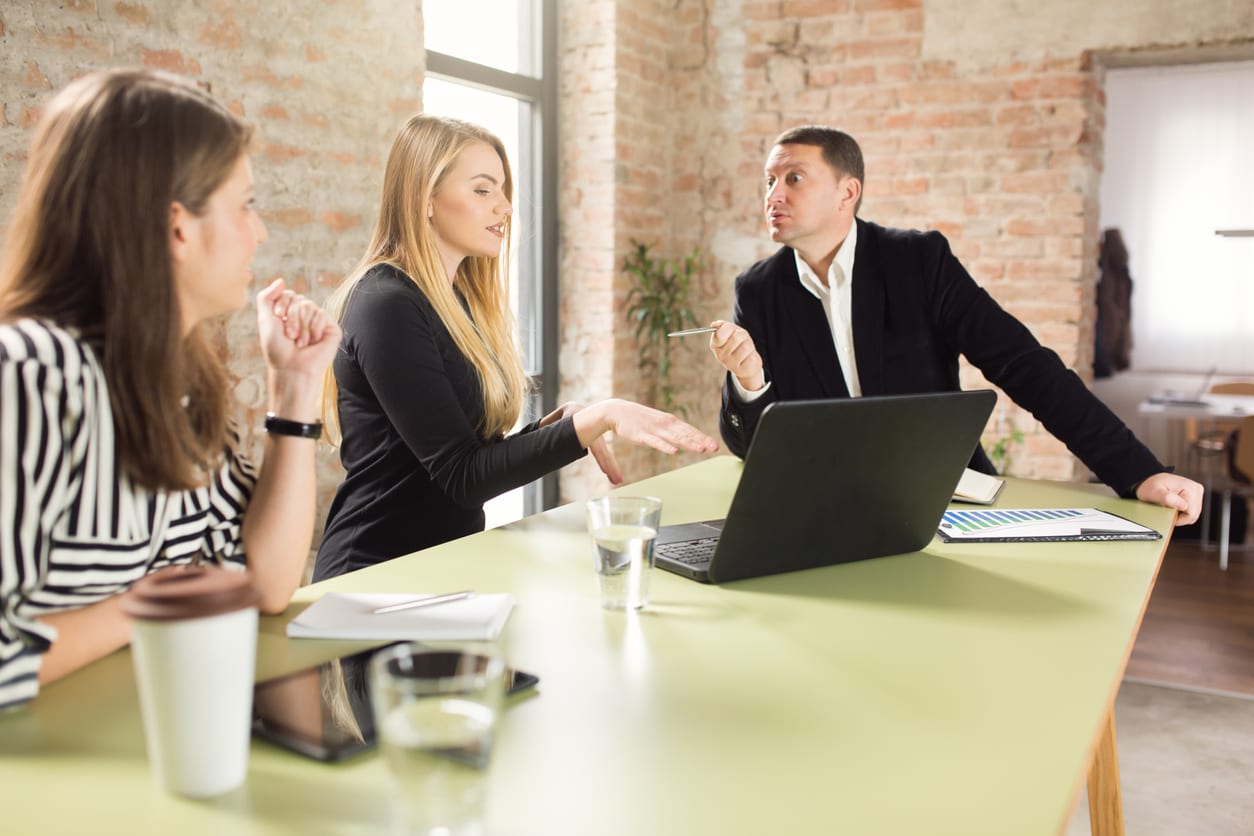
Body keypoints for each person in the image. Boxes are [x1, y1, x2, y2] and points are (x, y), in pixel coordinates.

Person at [0, 69, 342, 709]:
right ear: (178, 226)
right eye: (245, 204)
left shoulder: (178, 381)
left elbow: (264, 583)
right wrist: (148, 607)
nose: (258, 232)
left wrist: (294, 388)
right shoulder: (29, 376)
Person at [707, 125, 1202, 524]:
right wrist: (748, 384)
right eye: (769, 181)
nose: (774, 194)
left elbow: (1025, 367)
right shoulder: (758, 289)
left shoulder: (917, 260)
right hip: (826, 510)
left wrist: (1139, 474)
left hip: (944, 499)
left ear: (847, 193)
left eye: (794, 177)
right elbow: (750, 448)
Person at [313, 114, 718, 581]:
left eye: (503, 190)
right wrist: (597, 419)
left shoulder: (454, 302)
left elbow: (465, 453)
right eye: (483, 190)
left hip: (444, 569)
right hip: (375, 578)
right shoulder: (385, 303)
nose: (505, 207)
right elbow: (464, 476)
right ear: (425, 197)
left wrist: (556, 429)